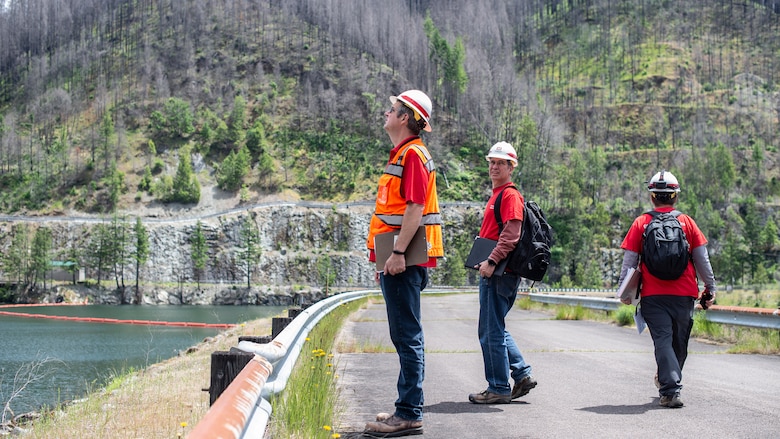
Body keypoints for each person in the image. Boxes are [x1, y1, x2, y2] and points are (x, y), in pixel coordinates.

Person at [363, 89, 444, 437]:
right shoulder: (404, 154)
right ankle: (405, 407)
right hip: (398, 257)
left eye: (392, 109)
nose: (386, 112)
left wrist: (396, 254)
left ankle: (409, 412)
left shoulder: (412, 154)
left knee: (407, 336)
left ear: (406, 118)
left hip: (403, 258)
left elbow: (414, 209)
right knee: (404, 335)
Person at [618, 170, 716, 408]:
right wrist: (710, 288)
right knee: (679, 343)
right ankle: (670, 385)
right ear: (675, 196)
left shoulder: (642, 222)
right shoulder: (686, 222)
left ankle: (669, 387)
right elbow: (702, 259)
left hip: (653, 295)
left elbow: (630, 261)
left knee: (663, 340)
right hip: (684, 295)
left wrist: (624, 292)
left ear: (652, 197)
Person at [468, 141, 536, 405]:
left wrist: (492, 262)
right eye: (492, 162)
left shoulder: (509, 195)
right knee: (494, 327)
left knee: (490, 332)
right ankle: (521, 374)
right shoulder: (499, 195)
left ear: (511, 167)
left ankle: (498, 387)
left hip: (499, 273)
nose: (494, 167)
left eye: (500, 163)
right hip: (495, 271)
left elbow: (511, 235)